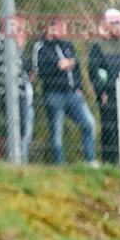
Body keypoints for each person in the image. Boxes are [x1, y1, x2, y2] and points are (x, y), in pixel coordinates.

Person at [35, 18, 97, 166]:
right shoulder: (41, 47)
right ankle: (60, 165)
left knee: (89, 124)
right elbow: (39, 73)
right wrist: (58, 66)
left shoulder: (68, 45)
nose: (62, 32)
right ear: (50, 29)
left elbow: (76, 68)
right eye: (59, 29)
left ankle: (90, 161)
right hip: (54, 95)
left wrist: (79, 89)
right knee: (57, 132)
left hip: (73, 95)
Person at [88, 9, 120, 164]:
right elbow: (94, 71)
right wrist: (101, 92)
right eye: (113, 23)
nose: (116, 26)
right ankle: (109, 164)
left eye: (118, 23)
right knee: (109, 130)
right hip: (108, 95)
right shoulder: (98, 46)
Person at [0, 21, 35, 162]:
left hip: (20, 93)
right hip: (8, 92)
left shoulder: (13, 45)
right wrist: (18, 43)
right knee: (18, 127)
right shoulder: (3, 39)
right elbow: (9, 70)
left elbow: (20, 69)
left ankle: (19, 160)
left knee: (23, 129)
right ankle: (15, 160)